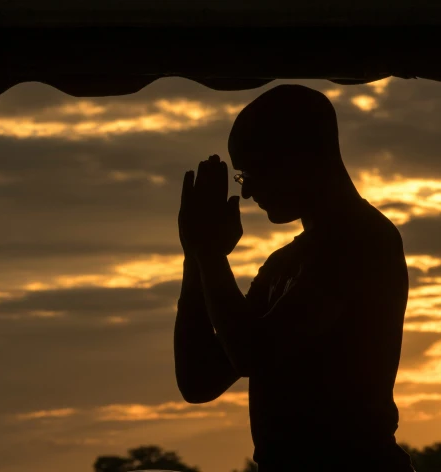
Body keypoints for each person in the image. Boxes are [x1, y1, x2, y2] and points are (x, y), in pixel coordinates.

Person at [173, 84, 415, 472]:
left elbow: (253, 353)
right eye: (241, 177)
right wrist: (196, 257)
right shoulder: (283, 264)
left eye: (253, 171)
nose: (248, 192)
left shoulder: (362, 241)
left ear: (300, 158)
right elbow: (200, 380)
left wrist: (210, 255)